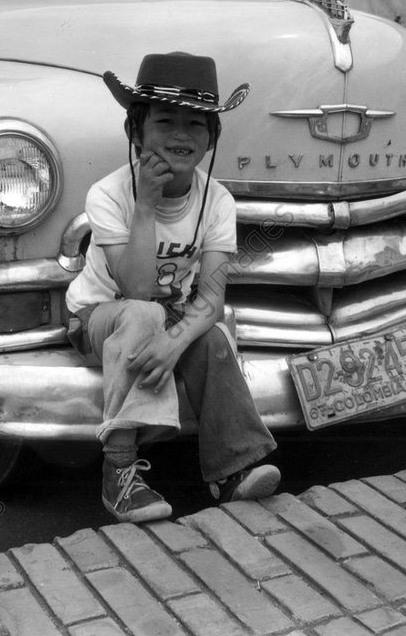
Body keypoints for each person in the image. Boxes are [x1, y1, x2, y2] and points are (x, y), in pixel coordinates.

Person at [65, 51, 280, 523]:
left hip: (169, 317)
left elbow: (211, 297)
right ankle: (118, 474)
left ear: (211, 138)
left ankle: (232, 469)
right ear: (135, 132)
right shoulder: (108, 194)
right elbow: (137, 288)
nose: (182, 134)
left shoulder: (217, 201)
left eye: (197, 124)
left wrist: (174, 342)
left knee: (214, 334)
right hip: (100, 316)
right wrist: (146, 206)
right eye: (165, 121)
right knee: (142, 315)